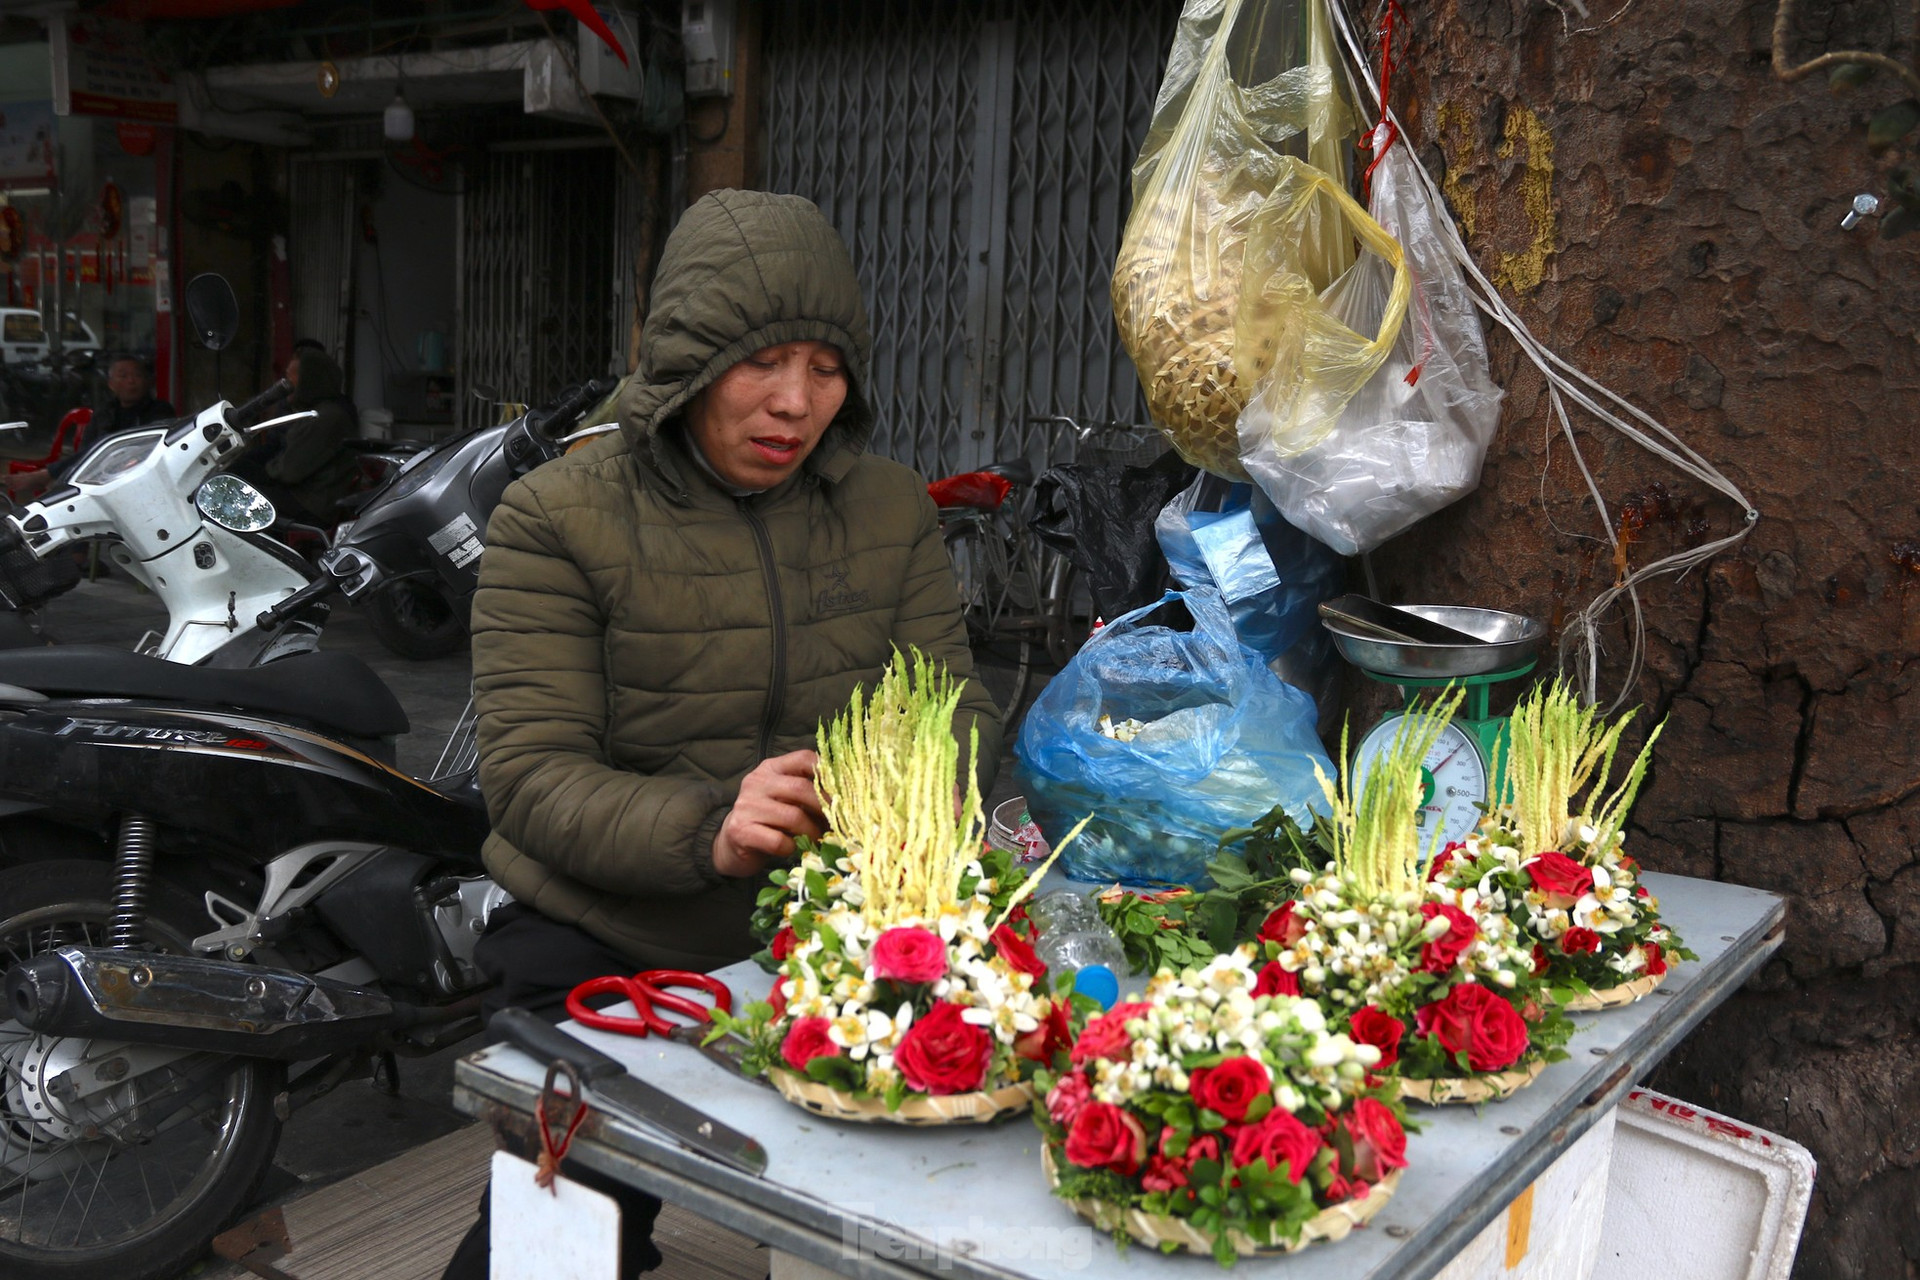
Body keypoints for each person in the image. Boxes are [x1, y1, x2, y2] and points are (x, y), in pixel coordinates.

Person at [438, 189, 1001, 1279]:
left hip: (827, 936)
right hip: (605, 940)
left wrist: (884, 795)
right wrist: (713, 825)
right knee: (567, 1226)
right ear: (690, 362)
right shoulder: (558, 516)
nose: (795, 402)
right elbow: (530, 774)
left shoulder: (889, 509)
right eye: (762, 363)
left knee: (900, 1209)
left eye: (827, 369)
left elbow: (960, 716)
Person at [251, 346, 360, 525]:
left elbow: (288, 471)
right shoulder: (318, 411)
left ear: (310, 380)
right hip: (307, 496)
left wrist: (264, 470)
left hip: (312, 504)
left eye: (292, 376)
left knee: (240, 495)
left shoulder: (326, 417)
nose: (286, 383)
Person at [95, 354, 175, 434]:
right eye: (123, 376)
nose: (131, 381)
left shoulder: (160, 410)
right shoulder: (103, 414)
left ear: (146, 381)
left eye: (137, 375)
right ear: (111, 384)